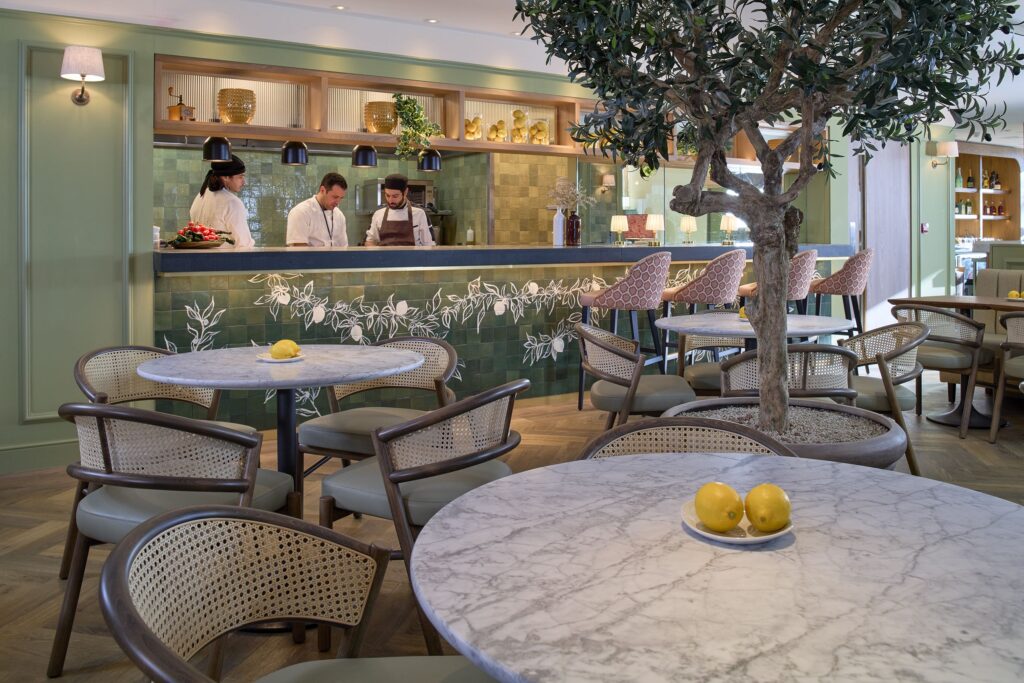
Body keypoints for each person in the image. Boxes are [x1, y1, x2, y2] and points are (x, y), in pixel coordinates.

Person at [189, 154, 254, 247]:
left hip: (201, 256)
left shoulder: (199, 197)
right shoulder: (232, 202)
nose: (244, 182)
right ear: (225, 177)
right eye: (240, 177)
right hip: (225, 256)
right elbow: (244, 244)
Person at [364, 173, 434, 246]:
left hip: (411, 253)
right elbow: (370, 241)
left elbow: (428, 245)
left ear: (405, 192)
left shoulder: (419, 214)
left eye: (395, 196)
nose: (390, 200)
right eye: (387, 195)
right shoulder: (378, 214)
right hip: (385, 254)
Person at [286, 172, 349, 247]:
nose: (338, 202)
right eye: (335, 197)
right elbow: (299, 249)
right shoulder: (301, 212)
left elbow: (344, 247)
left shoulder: (339, 215)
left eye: (341, 198)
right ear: (322, 190)